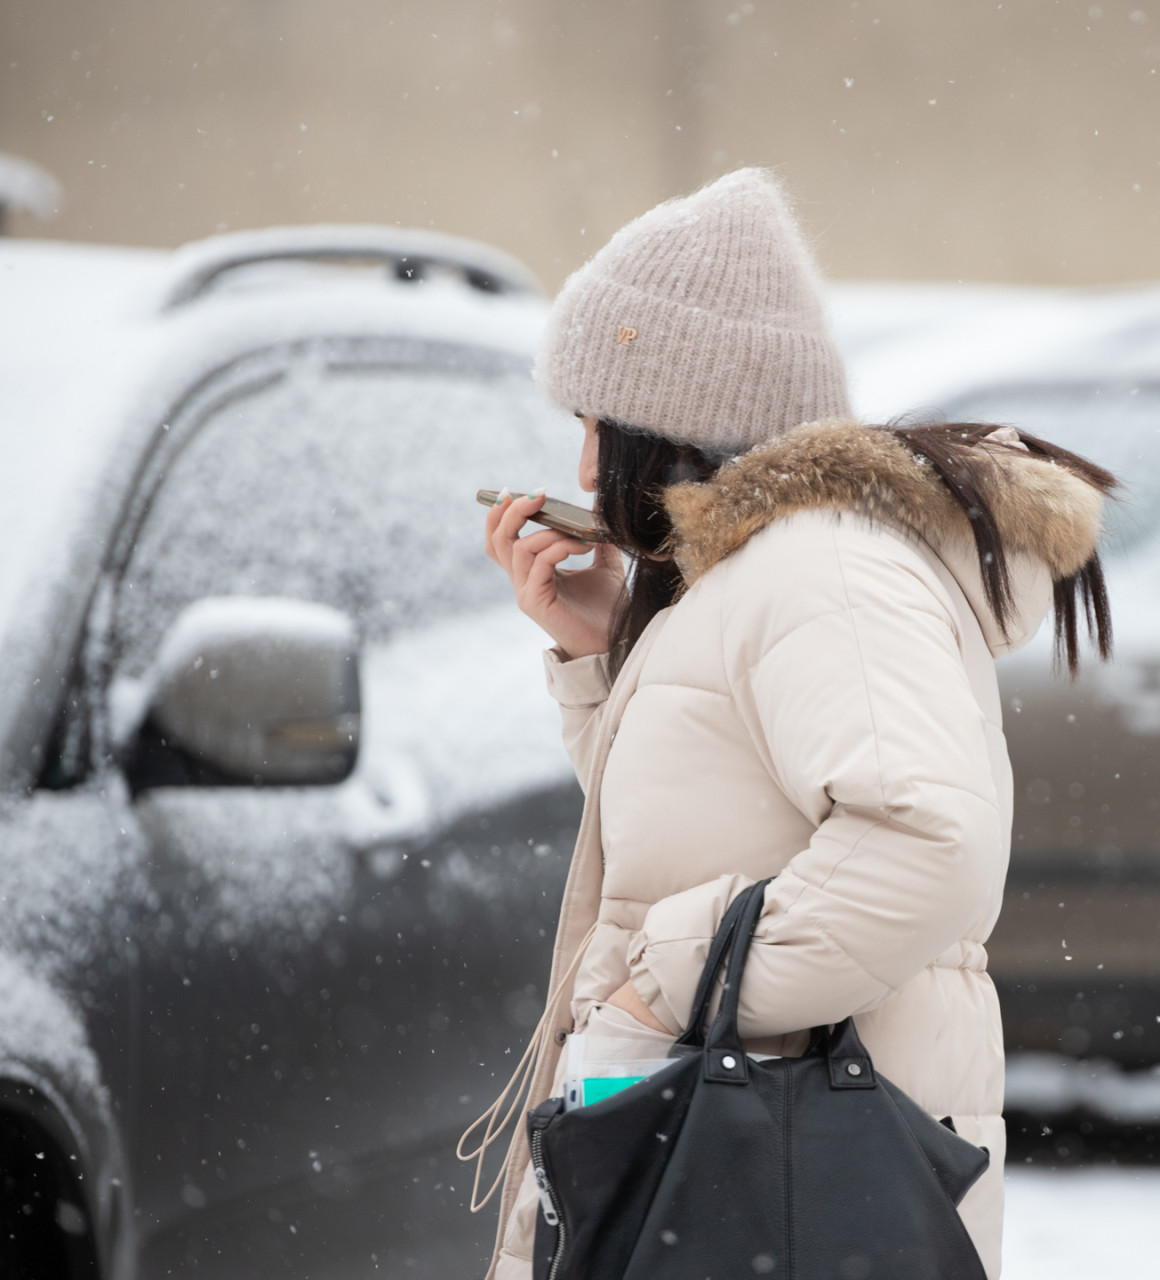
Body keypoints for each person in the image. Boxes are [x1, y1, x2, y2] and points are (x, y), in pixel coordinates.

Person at [465, 168, 1113, 1280]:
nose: (580, 466)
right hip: (753, 1160)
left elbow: (925, 844)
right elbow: (716, 823)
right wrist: (598, 652)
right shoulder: (758, 574)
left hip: (783, 1168)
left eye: (594, 421)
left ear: (667, 419)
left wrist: (661, 983)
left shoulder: (823, 572)